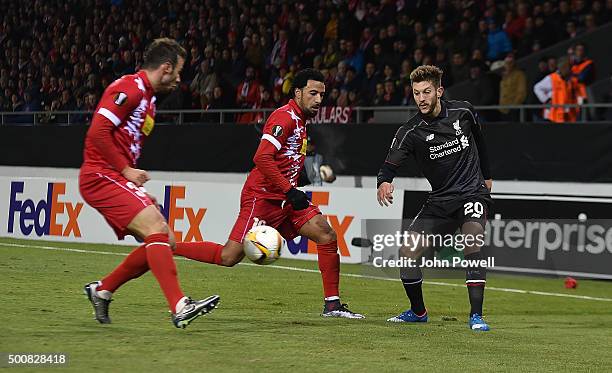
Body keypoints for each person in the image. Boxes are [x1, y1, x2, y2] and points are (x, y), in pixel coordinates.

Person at [172, 69, 364, 319]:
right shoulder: (283, 118)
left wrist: (306, 178)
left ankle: (332, 305)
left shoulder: (301, 121)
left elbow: (286, 162)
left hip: (286, 199)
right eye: (313, 93)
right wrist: (289, 190)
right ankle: (170, 247)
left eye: (322, 94)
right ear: (298, 92)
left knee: (326, 234)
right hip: (262, 198)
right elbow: (261, 157)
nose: (318, 100)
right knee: (229, 256)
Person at [79, 38, 220, 329]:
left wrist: (130, 181)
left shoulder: (149, 100)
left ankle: (102, 290)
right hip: (100, 174)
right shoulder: (128, 87)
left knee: (164, 240)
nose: (180, 78)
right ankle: (180, 306)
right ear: (166, 68)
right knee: (155, 228)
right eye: (179, 71)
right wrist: (126, 171)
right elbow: (97, 133)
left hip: (115, 177)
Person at [376, 65, 493, 331]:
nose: (421, 98)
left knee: (472, 240)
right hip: (439, 201)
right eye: (416, 93)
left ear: (439, 91)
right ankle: (418, 312)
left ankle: (476, 316)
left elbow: (481, 142)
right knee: (407, 252)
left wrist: (487, 176)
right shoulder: (410, 131)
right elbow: (389, 165)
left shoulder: (463, 111)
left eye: (426, 91)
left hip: (471, 192)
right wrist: (383, 182)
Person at [534, 57, 579, 123]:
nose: (570, 69)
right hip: (552, 117)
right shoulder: (552, 78)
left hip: (566, 116)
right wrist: (546, 100)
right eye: (568, 67)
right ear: (562, 67)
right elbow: (537, 88)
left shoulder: (570, 79)